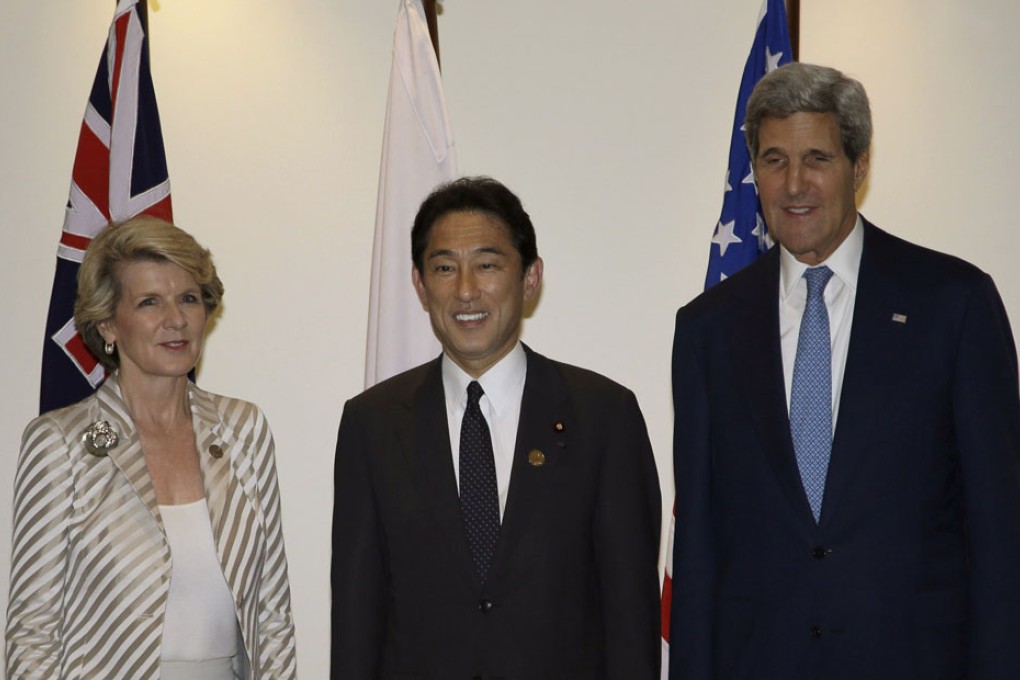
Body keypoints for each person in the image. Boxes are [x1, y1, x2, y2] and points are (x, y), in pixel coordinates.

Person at [668, 62, 1020, 679]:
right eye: (774, 160)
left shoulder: (953, 303)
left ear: (859, 167)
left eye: (818, 159)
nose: (794, 184)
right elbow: (698, 542)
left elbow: (999, 528)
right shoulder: (707, 329)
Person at [331, 176, 662, 678]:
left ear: (530, 278)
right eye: (445, 268)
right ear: (420, 285)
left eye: (487, 265)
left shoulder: (604, 418)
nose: (466, 290)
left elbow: (631, 620)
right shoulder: (371, 424)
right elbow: (357, 621)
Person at [6, 216, 297, 679]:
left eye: (188, 298)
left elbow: (272, 611)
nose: (176, 319)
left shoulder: (243, 429)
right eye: (149, 302)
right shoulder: (60, 443)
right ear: (108, 325)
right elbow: (32, 630)